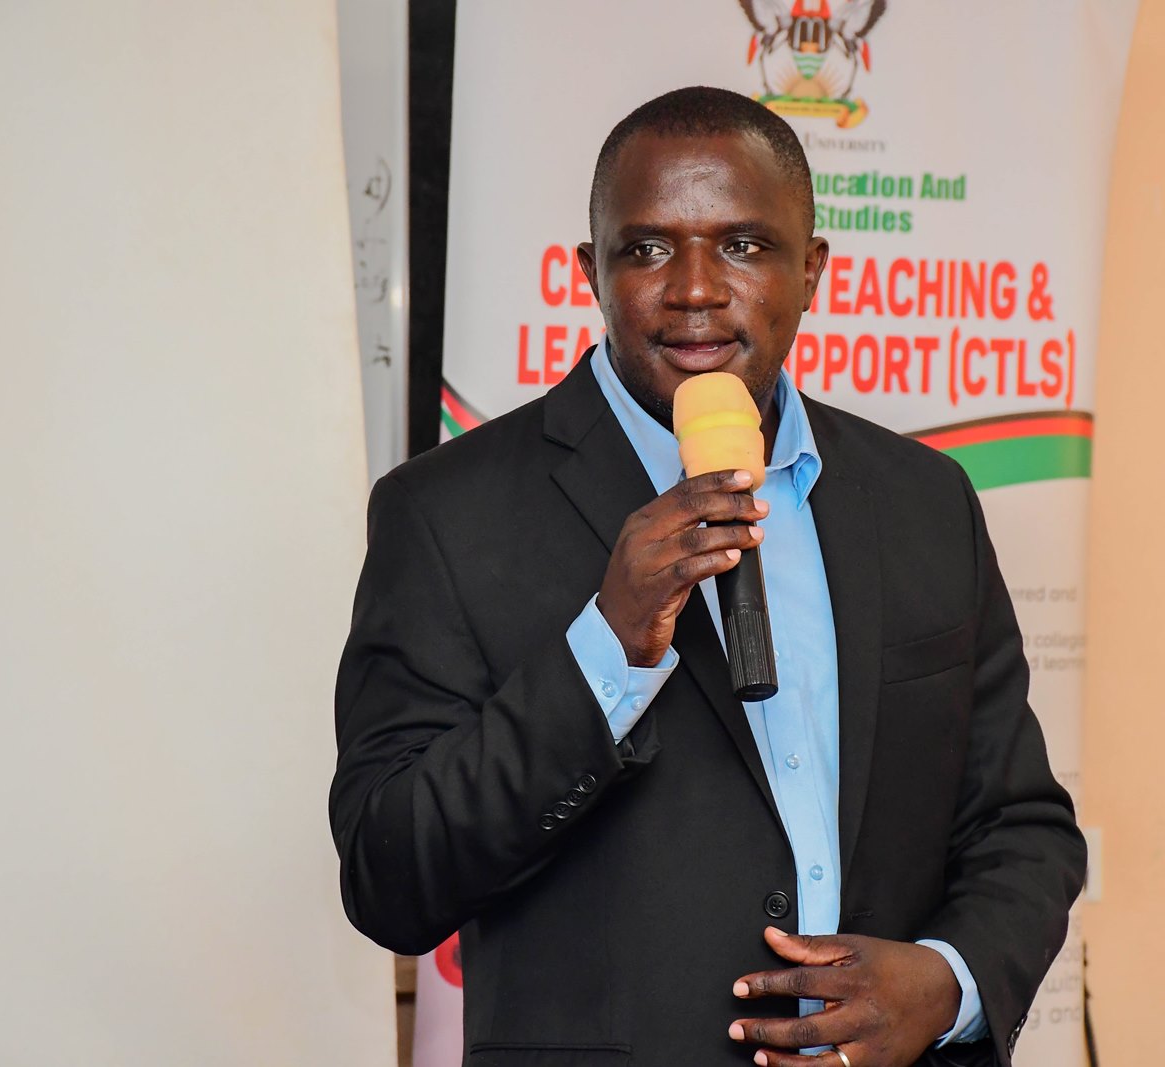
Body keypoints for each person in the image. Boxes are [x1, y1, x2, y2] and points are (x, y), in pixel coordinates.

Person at [331, 86, 1084, 1067]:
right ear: (587, 271)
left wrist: (946, 981)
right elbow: (392, 874)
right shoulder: (444, 513)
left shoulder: (923, 500)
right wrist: (608, 644)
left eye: (742, 244)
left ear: (810, 269)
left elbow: (1020, 823)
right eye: (645, 248)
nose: (693, 287)